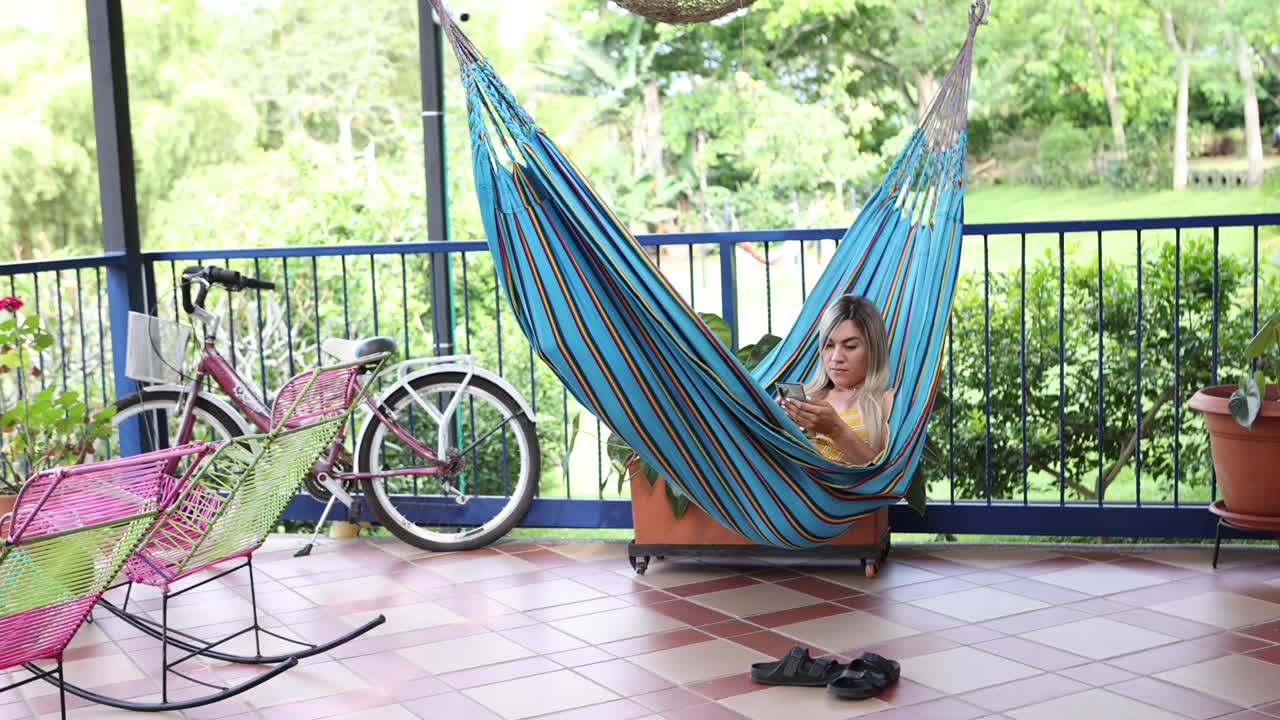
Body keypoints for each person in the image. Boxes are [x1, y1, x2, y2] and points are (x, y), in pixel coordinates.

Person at [779, 294, 895, 466]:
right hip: (794, 490)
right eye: (829, 345)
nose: (836, 357)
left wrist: (835, 429)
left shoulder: (886, 401)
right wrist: (775, 421)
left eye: (850, 346)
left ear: (873, 349)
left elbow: (885, 477)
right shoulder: (803, 395)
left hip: (850, 491)